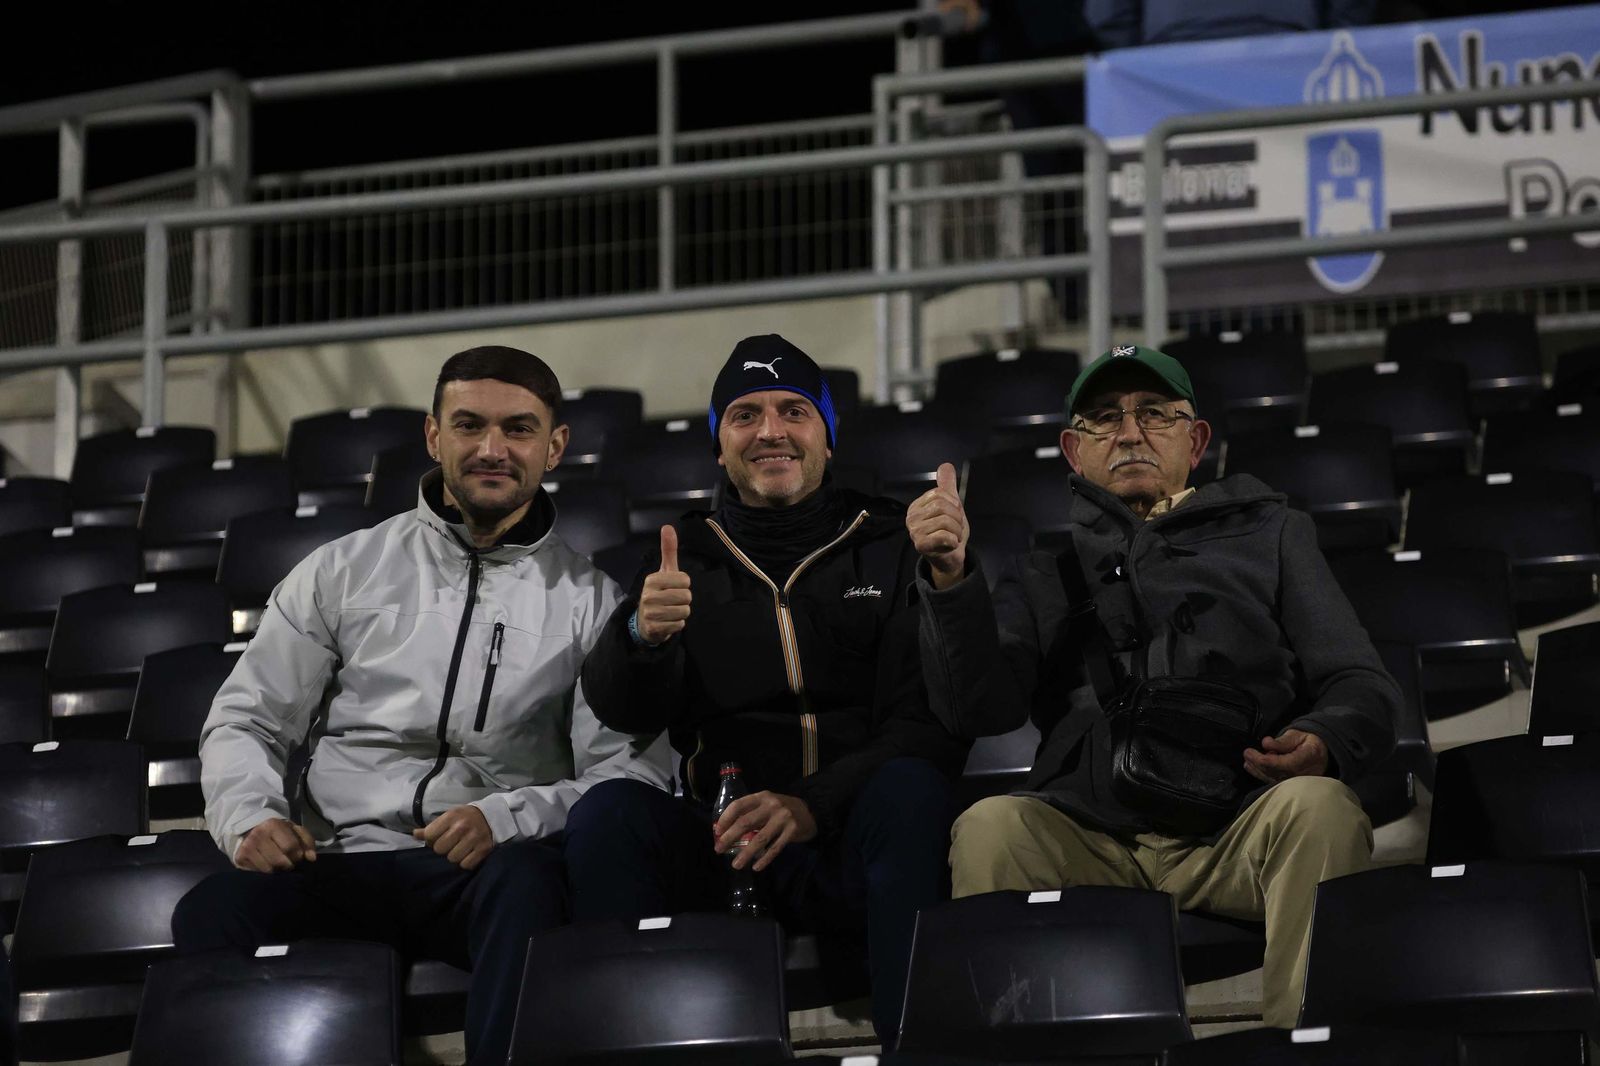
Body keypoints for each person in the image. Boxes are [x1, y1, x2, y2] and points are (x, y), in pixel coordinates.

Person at [173, 345, 672, 1066]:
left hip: (484, 869)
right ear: (434, 436)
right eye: (469, 425)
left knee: (528, 887)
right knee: (213, 909)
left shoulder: (591, 603)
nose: (492, 449)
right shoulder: (343, 570)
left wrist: (505, 817)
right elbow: (245, 717)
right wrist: (250, 817)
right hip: (341, 858)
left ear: (555, 446)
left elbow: (626, 774)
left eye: (519, 429)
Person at [906, 343, 1397, 1028]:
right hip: (1092, 834)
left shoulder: (1273, 535)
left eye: (1155, 414)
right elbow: (977, 709)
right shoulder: (1045, 572)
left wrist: (1322, 736)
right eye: (1106, 418)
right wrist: (950, 580)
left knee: (1321, 808)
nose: (1131, 433)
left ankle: (1308, 1044)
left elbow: (1360, 682)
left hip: (1238, 826)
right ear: (1074, 451)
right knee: (990, 827)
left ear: (1195, 441)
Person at [565, 334, 969, 1047]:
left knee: (911, 789)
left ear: (828, 436)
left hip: (855, 833)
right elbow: (624, 710)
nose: (770, 431)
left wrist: (813, 805)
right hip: (727, 844)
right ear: (719, 446)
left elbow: (927, 723)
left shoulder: (888, 541)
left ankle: (916, 1049)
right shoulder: (683, 557)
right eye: (745, 415)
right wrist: (640, 638)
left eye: (794, 411)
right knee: (608, 816)